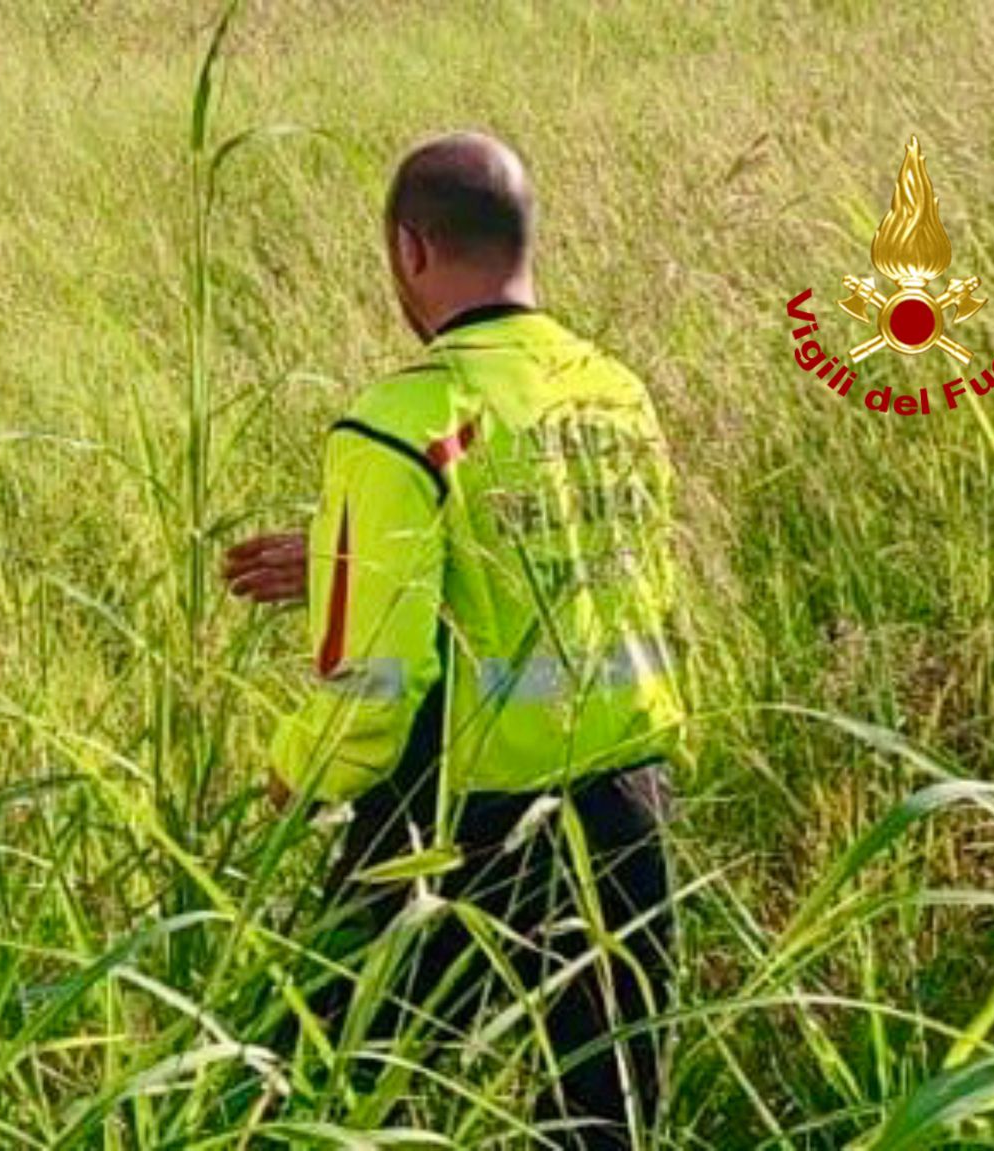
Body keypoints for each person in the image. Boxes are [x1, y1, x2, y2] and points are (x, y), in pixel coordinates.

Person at [222, 131, 683, 1148]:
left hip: (456, 826)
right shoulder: (617, 395)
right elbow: (567, 566)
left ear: (409, 250)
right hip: (628, 808)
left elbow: (379, 677)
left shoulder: (397, 422)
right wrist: (344, 553)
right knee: (601, 1123)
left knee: (307, 1095)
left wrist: (294, 772)